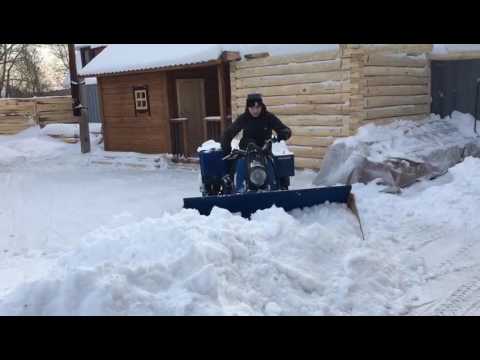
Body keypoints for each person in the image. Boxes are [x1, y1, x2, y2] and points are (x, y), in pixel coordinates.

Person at [220, 93, 292, 191]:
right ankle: (236, 191)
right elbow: (228, 133)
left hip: (265, 152)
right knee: (235, 168)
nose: (255, 110)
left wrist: (281, 135)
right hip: (246, 153)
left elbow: (285, 130)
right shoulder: (244, 118)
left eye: (258, 107)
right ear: (248, 107)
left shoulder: (269, 117)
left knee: (278, 170)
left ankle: (278, 190)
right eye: (252, 107)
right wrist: (227, 149)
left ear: (262, 106)